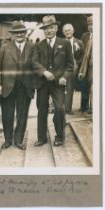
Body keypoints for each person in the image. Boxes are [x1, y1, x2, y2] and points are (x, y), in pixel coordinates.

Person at [0, 21, 40, 150]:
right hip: (7, 86)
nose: (19, 34)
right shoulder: (5, 47)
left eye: (21, 32)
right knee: (7, 115)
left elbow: (35, 65)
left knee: (22, 114)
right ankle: (8, 140)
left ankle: (18, 140)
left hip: (25, 87)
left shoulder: (32, 47)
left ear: (25, 33)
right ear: (13, 35)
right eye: (16, 33)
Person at [33, 15, 74, 147]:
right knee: (42, 109)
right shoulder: (39, 45)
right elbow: (34, 62)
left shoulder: (65, 43)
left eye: (51, 28)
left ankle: (60, 136)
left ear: (56, 28)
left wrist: (64, 77)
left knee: (60, 108)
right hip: (43, 83)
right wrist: (44, 72)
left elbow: (70, 65)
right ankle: (41, 137)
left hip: (58, 84)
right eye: (46, 29)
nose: (48, 31)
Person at [62, 23, 84, 115]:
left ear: (73, 31)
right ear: (63, 32)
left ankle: (68, 108)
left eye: (69, 30)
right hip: (62, 68)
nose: (68, 32)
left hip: (73, 68)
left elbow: (83, 55)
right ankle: (58, 108)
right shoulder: (61, 42)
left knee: (70, 88)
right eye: (66, 31)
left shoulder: (79, 42)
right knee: (59, 87)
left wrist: (77, 63)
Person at [78, 15, 93, 117]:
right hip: (84, 66)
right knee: (84, 87)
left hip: (92, 67)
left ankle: (92, 108)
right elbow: (80, 51)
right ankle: (84, 107)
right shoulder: (84, 36)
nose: (90, 26)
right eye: (89, 24)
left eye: (92, 24)